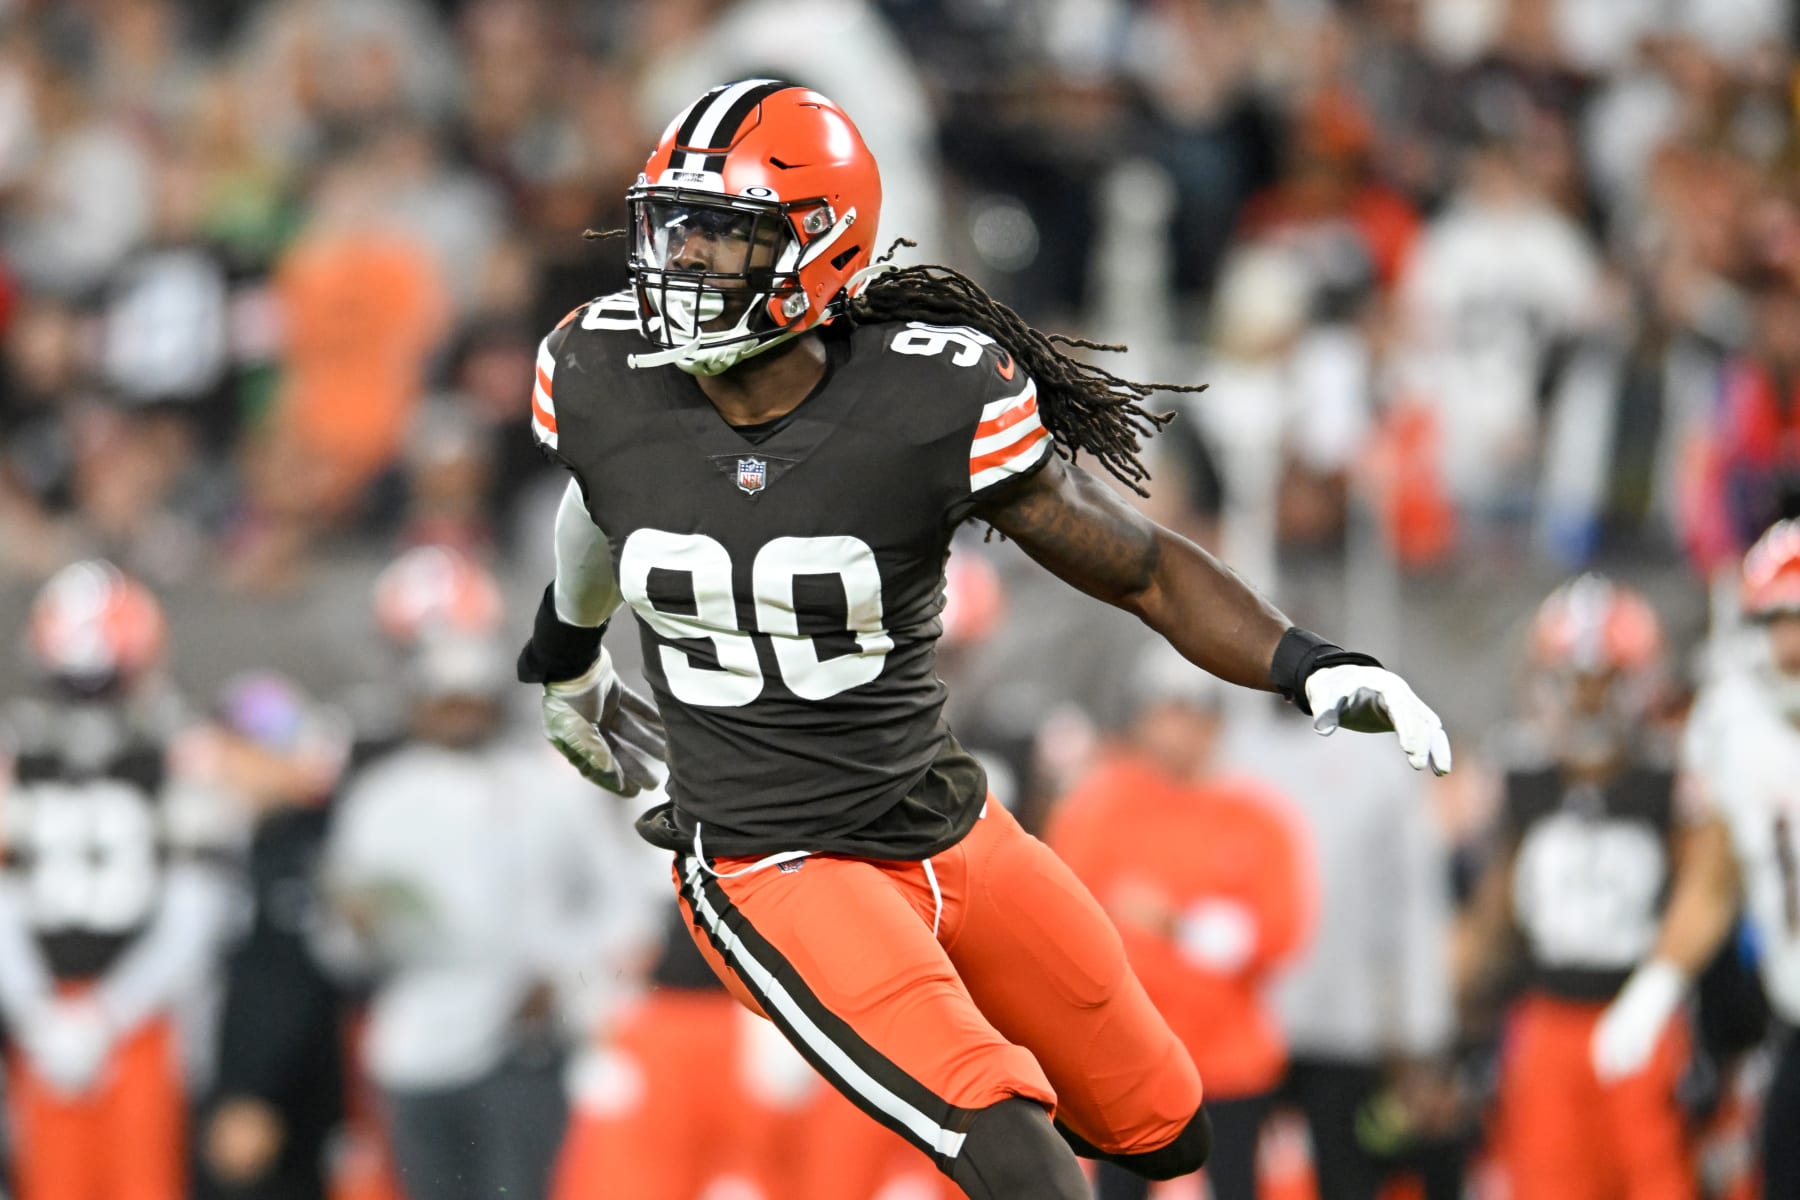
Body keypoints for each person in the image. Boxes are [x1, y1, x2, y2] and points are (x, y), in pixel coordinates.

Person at [514, 79, 1451, 1200]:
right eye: (678, 228)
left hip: (948, 825)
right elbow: (604, 498)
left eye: (726, 235)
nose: (684, 263)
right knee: (1015, 1154)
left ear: (818, 249)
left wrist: (1307, 661)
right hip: (773, 864)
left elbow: (1142, 565)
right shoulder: (598, 367)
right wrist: (564, 658)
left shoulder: (924, 398)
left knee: (1165, 1128)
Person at [318, 546, 643, 1200]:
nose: (457, 705)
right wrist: (356, 928)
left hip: (521, 1047)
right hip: (413, 1047)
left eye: (466, 691)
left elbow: (626, 905)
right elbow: (340, 950)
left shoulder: (552, 781)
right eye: (442, 693)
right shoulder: (377, 799)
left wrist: (566, 979)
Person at [0, 560, 243, 1200]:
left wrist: (105, 1015)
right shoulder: (16, 755)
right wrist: (34, 1013)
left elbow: (198, 908)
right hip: (46, 1016)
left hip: (145, 1021)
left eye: (99, 683)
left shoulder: (181, 754)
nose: (88, 701)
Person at [1458, 575, 1697, 1200]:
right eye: (1576, 680)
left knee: (1656, 1178)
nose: (1590, 701)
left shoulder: (1669, 780)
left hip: (1642, 1013)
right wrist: (1450, 1010)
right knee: (1545, 1180)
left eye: (1606, 680)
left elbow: (1700, 899)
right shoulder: (1521, 778)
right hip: (1545, 1019)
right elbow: (1494, 909)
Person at [1047, 649, 1315, 1200]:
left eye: (1193, 714)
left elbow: (1279, 933)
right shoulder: (1097, 809)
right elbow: (1054, 922)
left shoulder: (1256, 818)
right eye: (1167, 711)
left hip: (1227, 1057)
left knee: (1236, 1184)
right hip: (1124, 1055)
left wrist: (1182, 926)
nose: (1179, 730)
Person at [1591, 517, 1800, 1198]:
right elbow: (1716, 876)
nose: (1790, 642)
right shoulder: (1737, 722)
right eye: (1777, 620)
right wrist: (1657, 985)